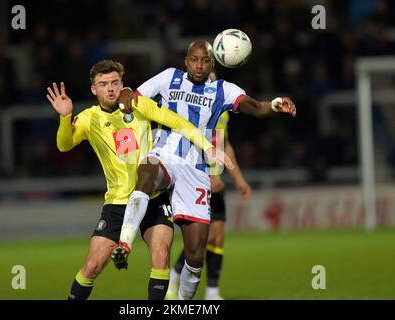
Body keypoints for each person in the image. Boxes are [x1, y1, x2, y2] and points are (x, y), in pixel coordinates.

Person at [112, 40, 296, 300]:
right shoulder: (168, 78)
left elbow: (255, 107)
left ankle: (185, 302)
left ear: (212, 63)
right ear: (186, 61)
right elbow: (134, 95)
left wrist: (276, 103)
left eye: (205, 61)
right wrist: (127, 94)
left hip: (197, 169)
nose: (199, 65)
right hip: (165, 153)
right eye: (194, 60)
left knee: (196, 255)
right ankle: (124, 242)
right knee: (147, 171)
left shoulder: (223, 90)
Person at [46, 59, 230, 300]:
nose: (110, 88)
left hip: (153, 198)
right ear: (94, 89)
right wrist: (65, 117)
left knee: (161, 255)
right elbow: (64, 145)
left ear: (123, 84)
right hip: (118, 202)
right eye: (103, 84)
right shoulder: (89, 119)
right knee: (91, 266)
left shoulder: (139, 104)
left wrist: (207, 146)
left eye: (114, 82)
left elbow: (179, 122)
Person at [166, 110, 251, 300]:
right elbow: (192, 142)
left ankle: (212, 292)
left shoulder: (224, 112)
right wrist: (210, 175)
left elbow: (224, 145)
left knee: (217, 238)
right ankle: (175, 275)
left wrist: (238, 179)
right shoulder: (195, 109)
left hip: (216, 183)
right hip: (196, 181)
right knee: (204, 237)